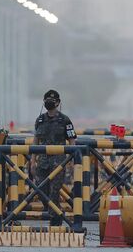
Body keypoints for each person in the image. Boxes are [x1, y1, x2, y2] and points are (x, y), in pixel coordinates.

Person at [31, 89, 77, 226]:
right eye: (47, 100)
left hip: (59, 162)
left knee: (54, 191)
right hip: (42, 162)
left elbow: (72, 142)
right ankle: (56, 213)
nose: (49, 103)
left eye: (52, 100)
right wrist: (32, 161)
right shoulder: (39, 120)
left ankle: (55, 220)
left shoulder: (65, 120)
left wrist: (72, 161)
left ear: (58, 103)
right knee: (40, 190)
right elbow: (35, 141)